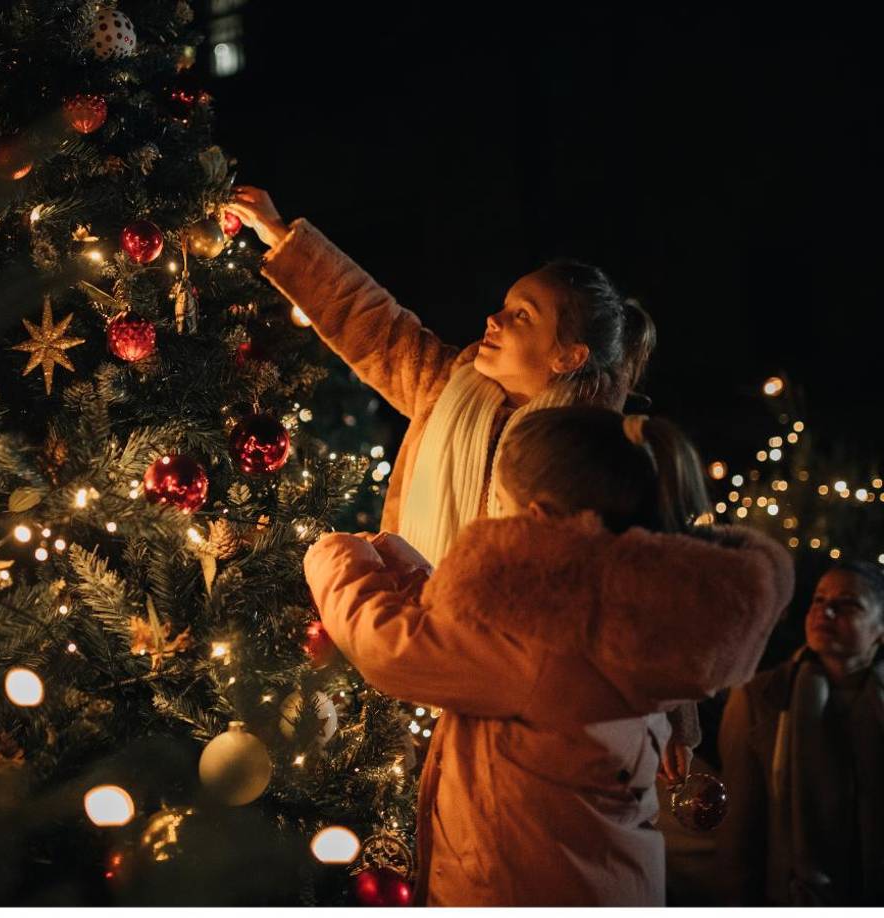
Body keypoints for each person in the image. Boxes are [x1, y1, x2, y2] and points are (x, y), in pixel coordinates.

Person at [229, 188, 697, 778]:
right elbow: (374, 323)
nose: (493, 319)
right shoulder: (445, 387)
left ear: (568, 356)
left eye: (522, 315)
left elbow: (645, 584)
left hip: (513, 710)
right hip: (407, 675)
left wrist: (677, 720)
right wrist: (283, 239)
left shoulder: (596, 456)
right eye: (504, 305)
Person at [301, 407, 794, 905]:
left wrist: (334, 555)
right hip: (609, 881)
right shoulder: (628, 609)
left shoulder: (541, 642)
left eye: (502, 506)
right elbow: (481, 642)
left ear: (537, 519)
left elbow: (389, 645)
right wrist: (410, 572)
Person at [717, 560, 884, 905]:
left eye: (848, 603)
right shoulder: (761, 698)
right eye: (818, 600)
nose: (827, 611)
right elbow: (740, 835)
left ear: (879, 630)